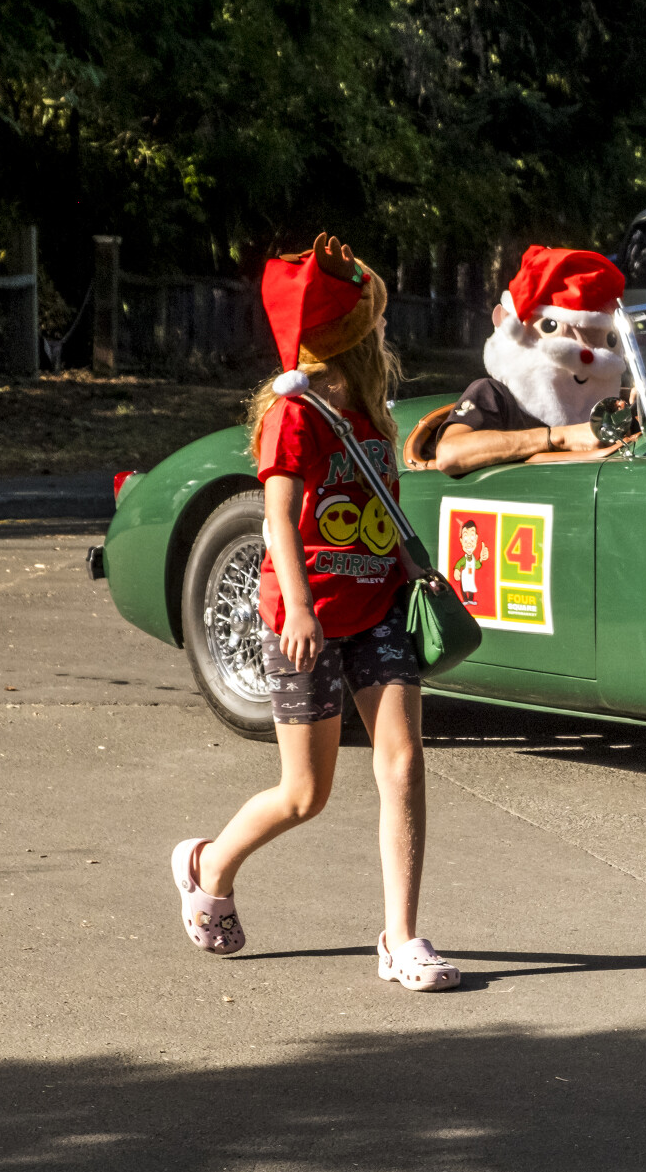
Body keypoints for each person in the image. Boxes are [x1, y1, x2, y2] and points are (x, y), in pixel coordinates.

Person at [168, 233, 460, 992]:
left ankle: (401, 939)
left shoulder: (371, 415)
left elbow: (376, 504)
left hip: (378, 607)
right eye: (376, 320)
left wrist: (410, 564)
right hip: (305, 622)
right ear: (353, 335)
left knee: (403, 763)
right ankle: (209, 865)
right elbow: (277, 517)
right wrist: (297, 608)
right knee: (306, 794)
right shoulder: (294, 415)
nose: (385, 331)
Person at [433, 245, 646, 475]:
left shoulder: (610, 408)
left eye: (603, 339)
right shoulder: (494, 395)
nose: (585, 351)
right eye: (551, 327)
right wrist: (559, 437)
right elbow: (450, 453)